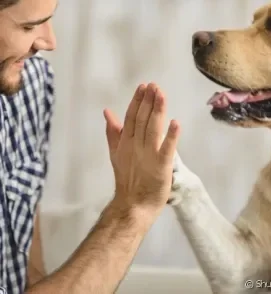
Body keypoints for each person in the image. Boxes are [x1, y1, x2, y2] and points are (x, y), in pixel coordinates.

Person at [0, 0, 181, 293]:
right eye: (28, 26)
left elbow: (20, 261)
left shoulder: (28, 83)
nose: (50, 41)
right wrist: (134, 209)